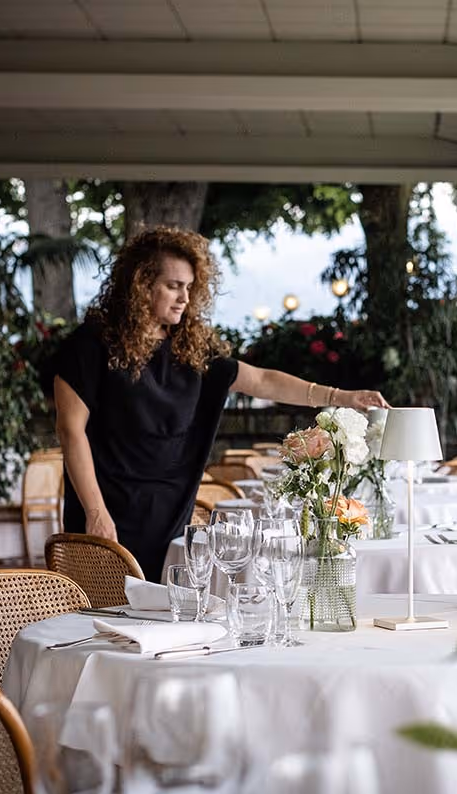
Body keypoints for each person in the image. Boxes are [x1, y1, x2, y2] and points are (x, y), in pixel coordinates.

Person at [53, 226, 388, 581]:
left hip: (171, 517)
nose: (184, 296)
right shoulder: (92, 343)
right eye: (173, 285)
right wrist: (95, 511)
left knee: (167, 626)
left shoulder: (191, 345)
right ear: (140, 283)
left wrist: (340, 397)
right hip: (106, 515)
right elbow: (70, 431)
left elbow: (261, 381)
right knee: (100, 625)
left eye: (189, 287)